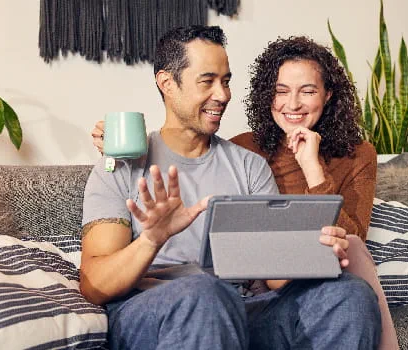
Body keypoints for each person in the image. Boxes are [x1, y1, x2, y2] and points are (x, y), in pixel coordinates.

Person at [82, 25, 381, 349]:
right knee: (205, 294)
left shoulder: (250, 166)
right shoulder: (120, 166)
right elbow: (95, 285)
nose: (223, 95)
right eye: (207, 81)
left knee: (350, 294)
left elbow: (273, 276)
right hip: (154, 310)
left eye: (225, 81)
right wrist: (152, 239)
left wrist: (314, 250)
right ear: (167, 83)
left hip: (242, 308)